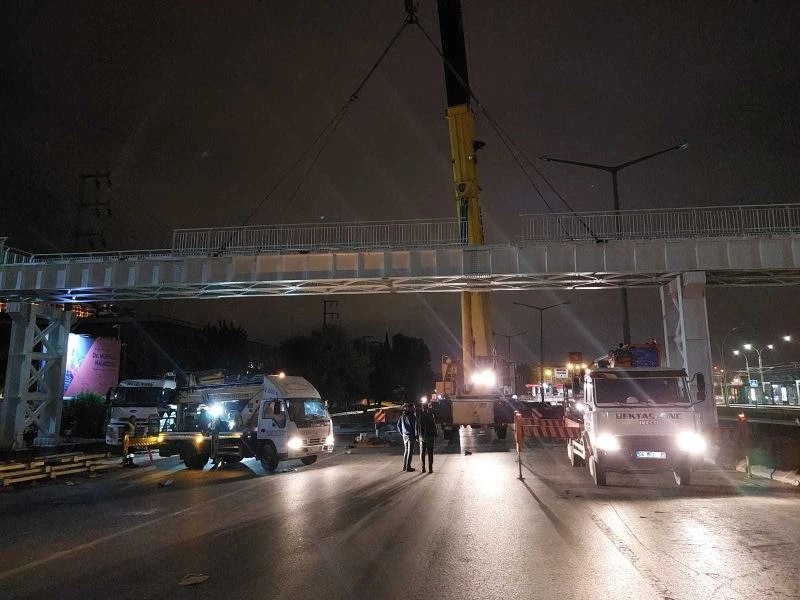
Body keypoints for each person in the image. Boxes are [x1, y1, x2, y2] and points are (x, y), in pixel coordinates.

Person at [416, 402, 438, 473]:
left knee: (422, 452)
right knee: (430, 452)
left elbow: (417, 426)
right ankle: (430, 468)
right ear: (428, 408)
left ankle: (423, 468)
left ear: (422, 408)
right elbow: (434, 425)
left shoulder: (419, 416)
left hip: (422, 436)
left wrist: (417, 435)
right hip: (430, 436)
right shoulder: (431, 415)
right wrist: (435, 434)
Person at [397, 403, 418, 472]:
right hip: (411, 435)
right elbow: (415, 427)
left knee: (406, 450)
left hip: (404, 435)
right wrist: (416, 436)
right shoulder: (412, 416)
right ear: (411, 408)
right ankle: (408, 467)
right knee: (410, 451)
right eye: (413, 408)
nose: (414, 409)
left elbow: (398, 425)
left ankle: (404, 466)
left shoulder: (402, 416)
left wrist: (402, 433)